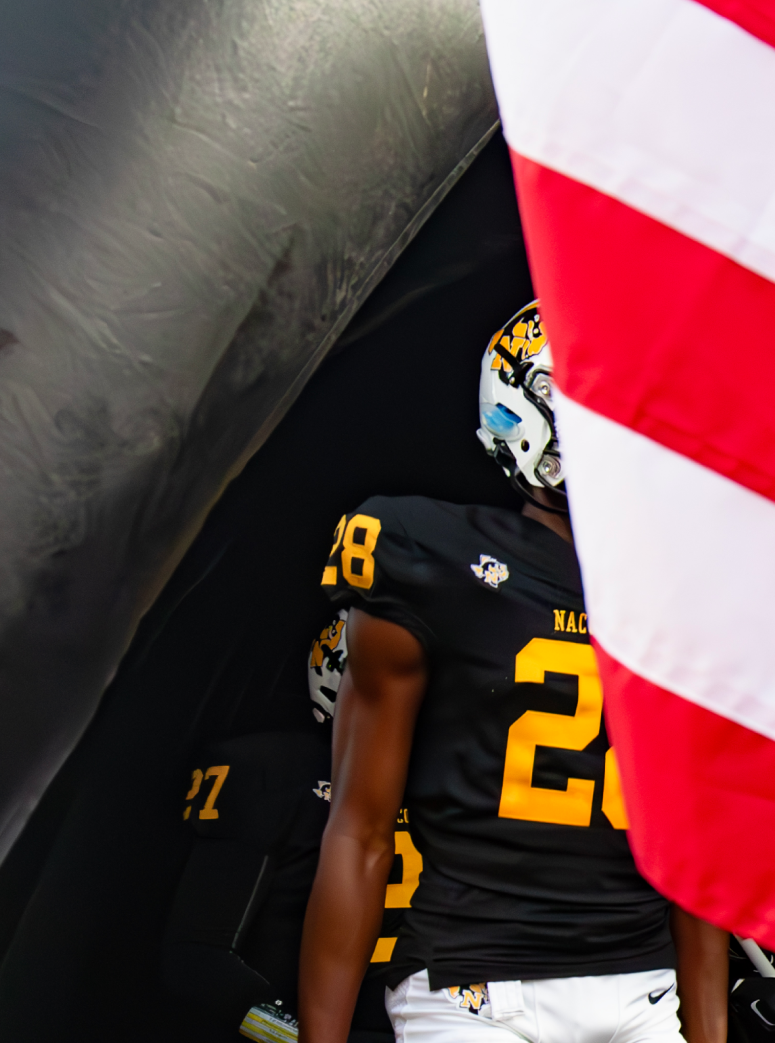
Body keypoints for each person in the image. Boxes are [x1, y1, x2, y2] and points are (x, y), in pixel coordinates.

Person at [298, 302, 729, 1043]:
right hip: (474, 988)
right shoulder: (430, 556)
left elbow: (698, 854)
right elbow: (360, 829)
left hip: (640, 990)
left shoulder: (683, 592)